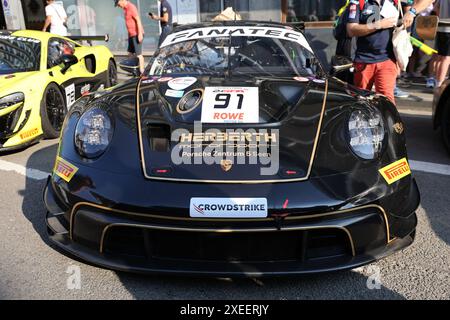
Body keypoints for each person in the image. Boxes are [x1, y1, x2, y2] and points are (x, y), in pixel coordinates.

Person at [346, 0, 399, 104]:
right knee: (360, 100)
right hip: (364, 61)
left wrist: (411, 13)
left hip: (387, 59)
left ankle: (388, 121)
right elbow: (351, 30)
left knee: (387, 101)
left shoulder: (394, 2)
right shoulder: (357, 2)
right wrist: (378, 25)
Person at [115, 0, 145, 75]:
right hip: (131, 35)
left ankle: (142, 72)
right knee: (130, 53)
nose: (119, 6)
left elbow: (138, 20)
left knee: (139, 55)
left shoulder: (131, 7)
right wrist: (128, 37)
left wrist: (140, 33)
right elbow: (129, 23)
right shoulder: (125, 9)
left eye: (118, 4)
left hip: (136, 33)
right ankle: (134, 69)